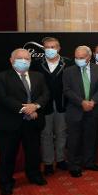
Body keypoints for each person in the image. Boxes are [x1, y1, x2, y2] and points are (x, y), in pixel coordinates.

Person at [0, 48, 50, 195]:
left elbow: (45, 94)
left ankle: (34, 175)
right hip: (9, 123)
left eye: (27, 59)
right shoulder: (1, 77)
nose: (24, 61)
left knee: (33, 152)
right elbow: (2, 98)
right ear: (11, 61)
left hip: (33, 123)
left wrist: (35, 106)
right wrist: (26, 109)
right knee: (7, 155)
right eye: (20, 58)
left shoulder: (38, 76)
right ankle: (5, 183)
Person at [63, 46, 98, 178]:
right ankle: (74, 165)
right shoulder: (68, 71)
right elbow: (67, 90)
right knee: (74, 139)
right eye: (76, 57)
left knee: (91, 137)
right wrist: (82, 102)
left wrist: (93, 101)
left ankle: (89, 162)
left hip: (93, 108)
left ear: (89, 57)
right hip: (75, 110)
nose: (78, 60)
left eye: (81, 58)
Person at [32, 37, 70, 175]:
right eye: (47, 47)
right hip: (44, 105)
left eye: (53, 47)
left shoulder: (68, 62)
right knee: (46, 134)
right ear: (43, 49)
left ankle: (60, 160)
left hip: (62, 104)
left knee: (61, 133)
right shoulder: (36, 64)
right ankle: (48, 163)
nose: (50, 50)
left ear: (59, 48)